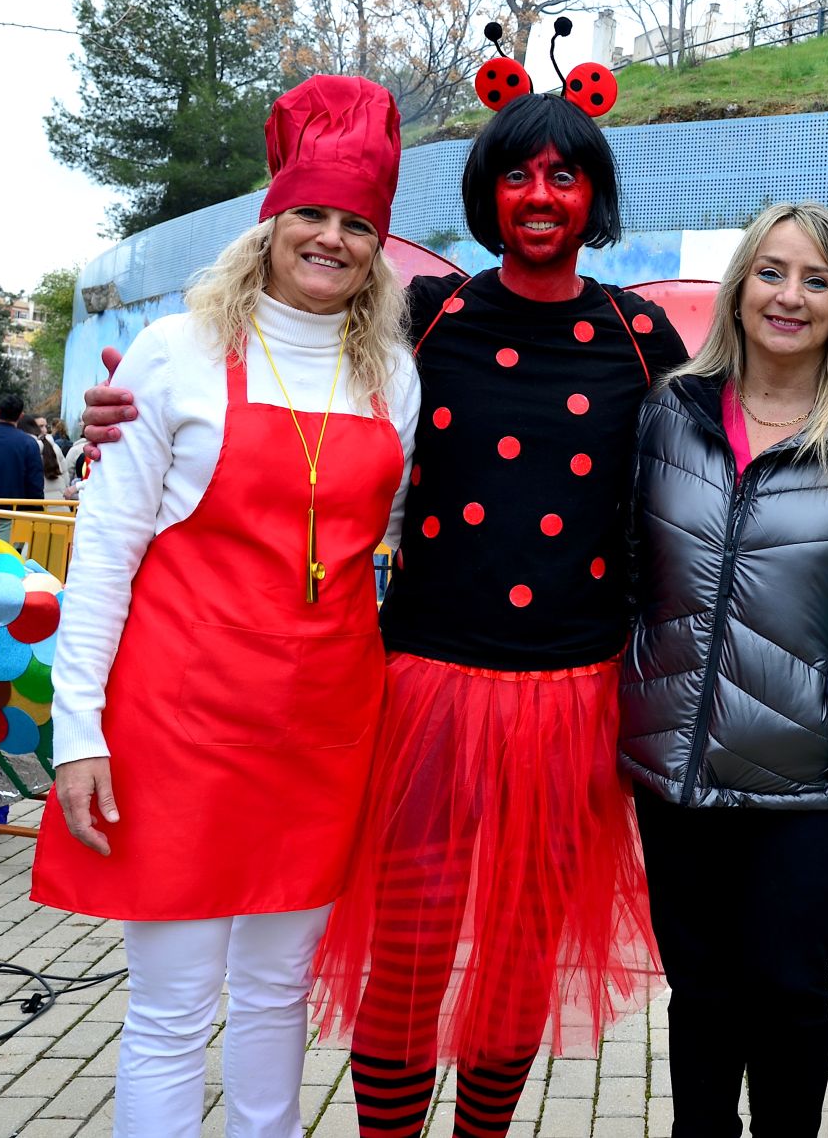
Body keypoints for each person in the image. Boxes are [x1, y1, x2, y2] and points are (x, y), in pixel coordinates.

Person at [81, 82, 687, 1136]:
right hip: (421, 696)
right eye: (516, 174)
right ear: (484, 193)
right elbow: (301, 393)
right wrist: (119, 423)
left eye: (563, 176)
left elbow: (721, 470)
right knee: (404, 955)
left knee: (517, 959)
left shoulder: (642, 339)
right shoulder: (424, 323)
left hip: (575, 698)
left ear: (595, 196)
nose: (540, 196)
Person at [29, 76, 421, 1138]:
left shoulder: (391, 371)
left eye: (356, 223)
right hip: (177, 719)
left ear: (377, 248)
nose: (331, 239)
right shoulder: (175, 355)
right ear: (269, 222)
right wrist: (78, 733)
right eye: (312, 214)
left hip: (323, 720)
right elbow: (105, 555)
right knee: (170, 1004)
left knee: (277, 991)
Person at [619, 202, 828, 1134]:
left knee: (784, 991)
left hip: (805, 780)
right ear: (739, 291)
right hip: (674, 770)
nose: (791, 295)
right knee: (699, 995)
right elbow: (618, 572)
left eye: (816, 279)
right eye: (772, 272)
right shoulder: (665, 415)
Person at [0, 393, 43, 537]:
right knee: (4, 556)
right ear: (21, 416)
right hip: (10, 515)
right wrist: (37, 512)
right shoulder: (28, 443)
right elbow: (35, 483)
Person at [33, 415, 66, 501]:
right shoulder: (55, 447)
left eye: (45, 426)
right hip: (59, 502)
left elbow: (65, 472)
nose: (44, 429)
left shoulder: (55, 447)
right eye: (40, 426)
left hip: (40, 504)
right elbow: (66, 473)